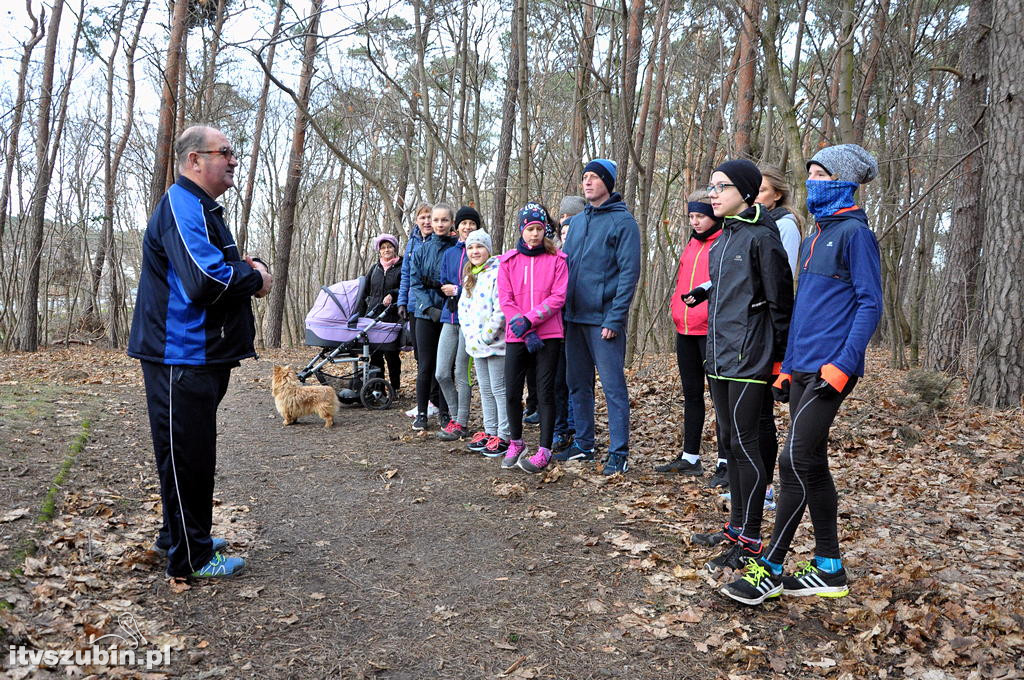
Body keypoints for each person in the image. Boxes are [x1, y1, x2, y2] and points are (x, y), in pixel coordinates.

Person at [721, 144, 882, 606]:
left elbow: (870, 304)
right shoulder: (814, 237)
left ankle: (770, 567)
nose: (812, 181)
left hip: (833, 369)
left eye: (821, 174)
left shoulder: (855, 235)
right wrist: (787, 366)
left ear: (844, 181)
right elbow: (803, 311)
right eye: (809, 172)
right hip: (802, 367)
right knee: (810, 462)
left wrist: (844, 363)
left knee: (791, 461)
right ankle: (829, 566)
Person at [127, 125, 272, 579]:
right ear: (194, 160)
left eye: (234, 151)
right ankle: (191, 557)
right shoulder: (181, 203)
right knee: (188, 457)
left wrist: (242, 268)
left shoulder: (201, 207)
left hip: (201, 356)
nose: (233, 160)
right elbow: (204, 281)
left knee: (191, 454)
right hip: (180, 356)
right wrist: (258, 278)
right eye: (224, 152)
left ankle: (181, 537)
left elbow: (210, 268)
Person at [682, 159, 792, 573]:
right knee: (729, 442)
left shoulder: (764, 238)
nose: (713, 194)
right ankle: (734, 528)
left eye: (721, 186)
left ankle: (750, 537)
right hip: (720, 356)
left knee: (746, 446)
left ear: (745, 191)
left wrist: (781, 362)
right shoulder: (724, 238)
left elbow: (781, 304)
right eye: (711, 186)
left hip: (752, 359)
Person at [557, 159, 641, 475]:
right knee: (577, 384)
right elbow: (564, 268)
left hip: (604, 321)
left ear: (608, 182)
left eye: (594, 177)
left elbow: (629, 275)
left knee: (613, 387)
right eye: (585, 177)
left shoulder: (624, 223)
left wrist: (615, 319)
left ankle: (619, 453)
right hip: (573, 318)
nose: (588, 182)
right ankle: (584, 444)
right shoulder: (577, 223)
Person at [657, 192, 727, 485]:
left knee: (720, 398)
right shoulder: (690, 244)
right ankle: (690, 458)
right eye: (691, 217)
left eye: (701, 216)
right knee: (692, 395)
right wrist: (676, 306)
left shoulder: (724, 242)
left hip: (711, 331)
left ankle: (725, 462)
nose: (696, 222)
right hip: (684, 330)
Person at [498, 203, 568, 474]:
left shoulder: (558, 261)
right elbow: (506, 299)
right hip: (517, 336)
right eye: (529, 229)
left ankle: (544, 449)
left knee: (545, 391)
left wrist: (531, 320)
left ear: (545, 231)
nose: (534, 234)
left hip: (549, 334)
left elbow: (558, 297)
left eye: (539, 229)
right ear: (521, 231)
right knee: (512, 391)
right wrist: (524, 329)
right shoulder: (508, 262)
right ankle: (516, 442)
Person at [457, 230, 510, 456]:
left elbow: (501, 310)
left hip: (496, 344)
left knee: (499, 390)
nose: (475, 251)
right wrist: (471, 337)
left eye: (479, 246)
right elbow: (463, 308)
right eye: (470, 247)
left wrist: (486, 335)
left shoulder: (498, 272)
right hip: (476, 345)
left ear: (488, 249)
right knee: (486, 390)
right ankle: (490, 431)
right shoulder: (470, 275)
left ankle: (504, 435)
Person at [408, 203, 457, 430]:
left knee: (445, 367)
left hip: (449, 314)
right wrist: (429, 309)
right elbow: (415, 283)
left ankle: (446, 413)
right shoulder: (420, 250)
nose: (438, 224)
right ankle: (421, 413)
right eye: (436, 220)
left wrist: (446, 308)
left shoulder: (457, 249)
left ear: (451, 223)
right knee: (425, 366)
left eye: (444, 220)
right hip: (425, 315)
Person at [435, 206, 481, 440]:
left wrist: (460, 290)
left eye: (472, 223)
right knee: (442, 372)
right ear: (457, 226)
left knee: (461, 372)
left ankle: (461, 422)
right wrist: (448, 290)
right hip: (449, 316)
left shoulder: (481, 254)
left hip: (469, 321)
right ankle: (454, 417)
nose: (467, 227)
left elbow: (482, 286)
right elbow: (443, 281)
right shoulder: (450, 253)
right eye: (464, 223)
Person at [551, 195, 587, 452]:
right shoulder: (553, 251)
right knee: (557, 380)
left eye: (571, 219)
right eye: (562, 219)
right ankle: (560, 428)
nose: (566, 225)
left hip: (579, 321)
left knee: (577, 378)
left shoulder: (587, 248)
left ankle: (577, 427)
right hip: (555, 323)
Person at [399, 203, 441, 418]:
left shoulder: (440, 244)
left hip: (435, 307)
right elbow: (406, 274)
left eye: (429, 217)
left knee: (438, 359)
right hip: (416, 308)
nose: (426, 221)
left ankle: (436, 400)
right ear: (416, 221)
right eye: (422, 217)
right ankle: (428, 402)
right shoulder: (412, 243)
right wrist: (402, 302)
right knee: (421, 358)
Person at [357, 233, 403, 393]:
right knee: (375, 354)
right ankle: (378, 389)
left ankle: (395, 387)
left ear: (395, 248)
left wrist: (393, 293)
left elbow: (406, 287)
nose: (386, 250)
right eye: (383, 248)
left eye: (389, 247)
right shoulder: (374, 268)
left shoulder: (401, 266)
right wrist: (360, 313)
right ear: (379, 251)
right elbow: (365, 291)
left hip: (392, 316)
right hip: (373, 317)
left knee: (391, 355)